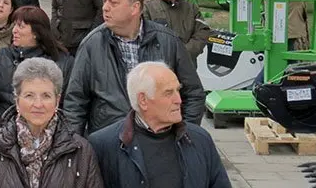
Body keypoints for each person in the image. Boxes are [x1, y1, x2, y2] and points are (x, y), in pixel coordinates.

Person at [64, 0, 206, 136]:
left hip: (161, 140)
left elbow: (193, 93)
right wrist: (75, 148)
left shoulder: (168, 41)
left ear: (135, 8)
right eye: (104, 1)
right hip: (110, 142)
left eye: (113, 2)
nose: (105, 8)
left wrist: (184, 134)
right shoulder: (92, 44)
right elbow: (75, 102)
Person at [0, 58, 104, 188]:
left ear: (57, 100)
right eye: (29, 95)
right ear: (17, 100)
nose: (38, 104)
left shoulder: (80, 150)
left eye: (46, 96)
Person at [89, 62, 230, 188]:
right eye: (168, 93)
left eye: (178, 90)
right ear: (143, 100)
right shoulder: (103, 145)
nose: (179, 100)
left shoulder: (200, 139)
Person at [0, 6, 74, 129]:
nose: (14, 30)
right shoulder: (2, 56)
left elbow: (69, 103)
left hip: (46, 128)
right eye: (14, 25)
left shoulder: (62, 62)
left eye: (20, 26)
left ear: (36, 33)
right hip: (5, 128)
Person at [143, 0, 212, 68]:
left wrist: (184, 52)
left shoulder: (190, 8)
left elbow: (203, 31)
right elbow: (144, 37)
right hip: (159, 68)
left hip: (187, 67)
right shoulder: (147, 8)